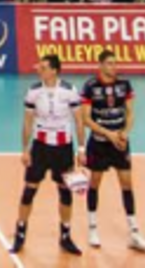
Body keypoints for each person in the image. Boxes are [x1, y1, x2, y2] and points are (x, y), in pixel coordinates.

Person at [11, 54, 86, 255]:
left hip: (63, 148)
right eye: (39, 67)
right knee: (29, 190)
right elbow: (27, 121)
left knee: (65, 192)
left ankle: (66, 236)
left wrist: (81, 149)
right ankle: (20, 233)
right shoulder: (34, 92)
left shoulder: (69, 91)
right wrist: (25, 149)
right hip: (41, 147)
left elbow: (79, 121)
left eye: (43, 67)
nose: (39, 70)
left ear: (54, 70)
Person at [81, 51, 145, 251]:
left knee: (127, 184)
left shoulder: (124, 85)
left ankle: (134, 232)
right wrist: (108, 134)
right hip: (99, 143)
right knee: (95, 182)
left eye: (115, 63)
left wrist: (124, 133)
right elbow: (86, 119)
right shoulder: (90, 86)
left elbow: (130, 113)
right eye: (110, 63)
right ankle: (93, 228)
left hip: (119, 143)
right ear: (101, 65)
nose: (114, 67)